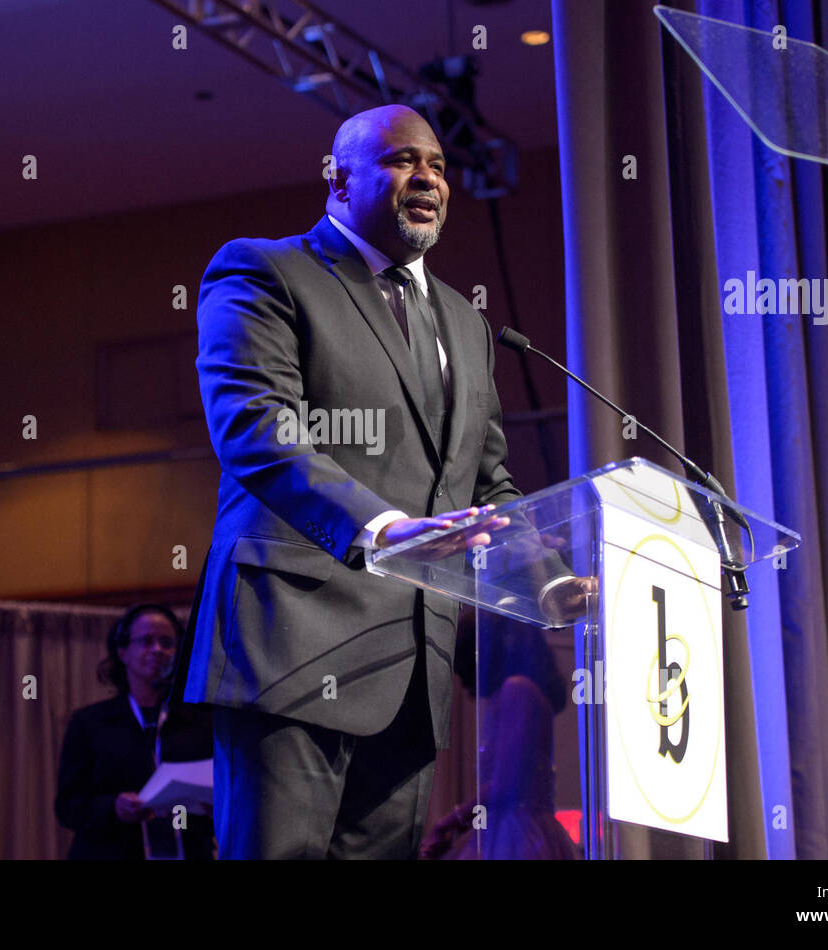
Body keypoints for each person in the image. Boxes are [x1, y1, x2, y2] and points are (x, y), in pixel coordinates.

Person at [182, 104, 592, 858]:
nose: (427, 177)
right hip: (290, 645)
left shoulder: (467, 324)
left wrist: (549, 579)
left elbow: (487, 480)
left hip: (410, 666)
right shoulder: (267, 271)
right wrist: (383, 530)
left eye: (437, 165)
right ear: (338, 180)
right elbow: (256, 428)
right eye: (403, 160)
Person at [55, 604, 214, 859]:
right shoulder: (90, 723)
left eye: (167, 643)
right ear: (122, 652)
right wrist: (113, 807)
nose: (157, 649)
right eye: (146, 641)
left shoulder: (201, 723)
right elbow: (68, 807)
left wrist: (212, 807)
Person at [420, 609, 579, 860]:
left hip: (517, 835)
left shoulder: (517, 690)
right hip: (523, 831)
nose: (465, 678)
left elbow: (505, 784)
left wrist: (449, 822)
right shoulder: (523, 691)